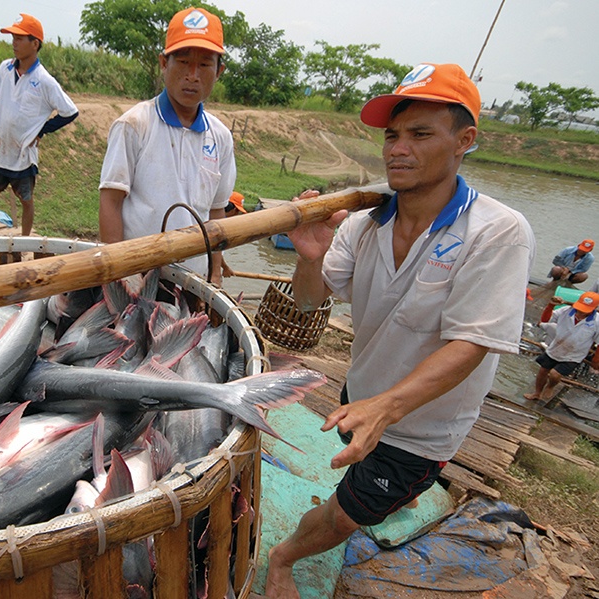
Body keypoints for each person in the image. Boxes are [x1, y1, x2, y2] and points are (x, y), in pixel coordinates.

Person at [264, 63, 535, 599]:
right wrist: (310, 258)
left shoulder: (498, 232)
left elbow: (473, 343)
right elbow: (316, 299)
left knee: (345, 515)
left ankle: (281, 559)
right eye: (392, 135)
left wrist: (386, 409)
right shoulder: (366, 225)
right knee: (363, 458)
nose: (398, 149)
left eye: (420, 134)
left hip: (420, 426)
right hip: (360, 396)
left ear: (465, 141)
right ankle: (403, 495)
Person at [98, 7, 236, 284]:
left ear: (219, 70)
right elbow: (111, 202)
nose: (193, 75)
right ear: (164, 63)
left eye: (205, 65)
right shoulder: (135, 124)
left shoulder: (220, 137)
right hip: (137, 275)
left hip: (192, 279)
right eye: (183, 62)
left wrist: (215, 272)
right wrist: (117, 276)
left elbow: (217, 212)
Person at [0, 13, 78, 237]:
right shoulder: (5, 69)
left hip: (23, 153)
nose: (14, 43)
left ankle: (25, 240)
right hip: (0, 148)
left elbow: (70, 111)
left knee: (25, 199)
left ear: (35, 44)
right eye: (13, 38)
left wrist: (42, 130)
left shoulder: (44, 81)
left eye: (19, 38)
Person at [524, 291, 599, 401]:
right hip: (555, 348)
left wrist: (596, 360)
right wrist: (551, 305)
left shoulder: (597, 321)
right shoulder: (565, 311)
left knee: (555, 374)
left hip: (574, 355)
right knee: (542, 371)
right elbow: (545, 320)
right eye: (580, 308)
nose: (581, 312)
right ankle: (537, 393)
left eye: (585, 310)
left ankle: (550, 386)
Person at [221, 192, 246, 278]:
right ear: (234, 209)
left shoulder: (219, 220)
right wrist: (225, 268)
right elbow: (214, 251)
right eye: (238, 211)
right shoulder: (220, 224)